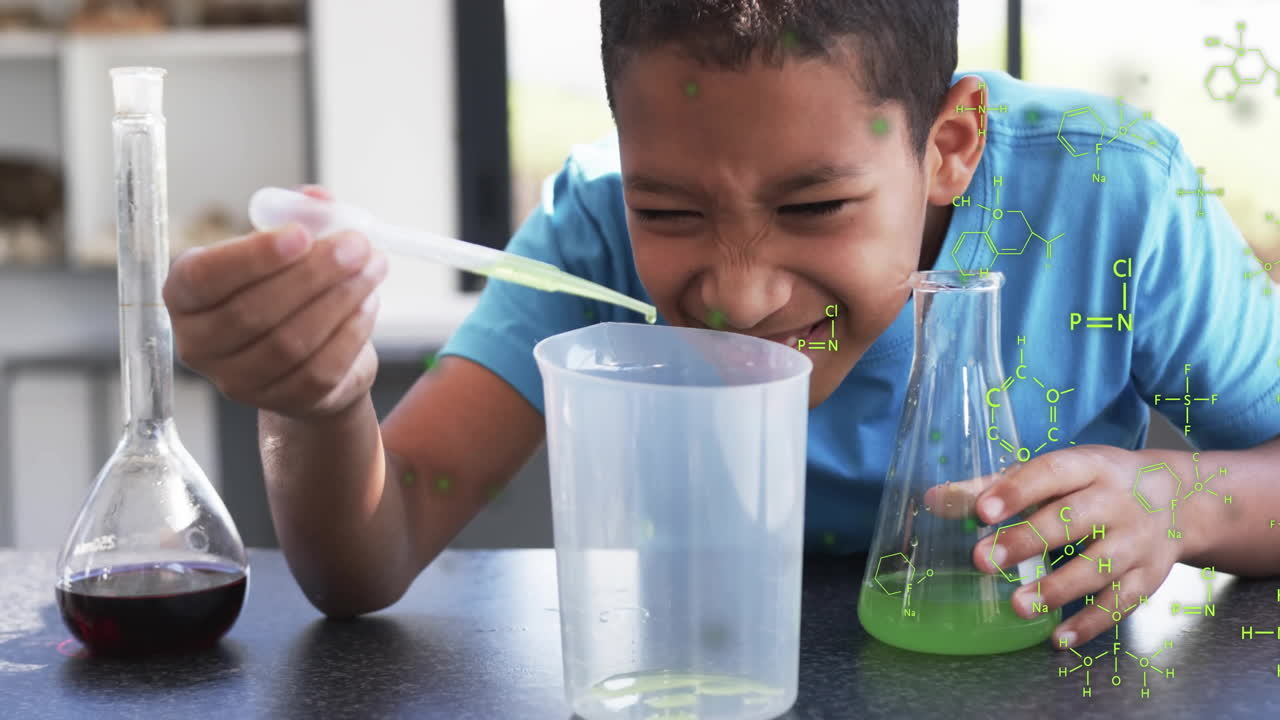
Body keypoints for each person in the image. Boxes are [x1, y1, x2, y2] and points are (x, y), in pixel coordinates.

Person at [162, 0, 1280, 650]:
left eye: (813, 206)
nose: (739, 293)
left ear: (948, 145)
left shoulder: (1116, 198)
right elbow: (376, 546)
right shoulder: (594, 225)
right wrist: (314, 401)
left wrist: (1184, 502)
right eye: (671, 211)